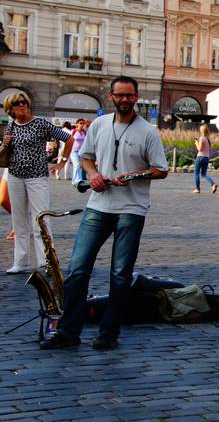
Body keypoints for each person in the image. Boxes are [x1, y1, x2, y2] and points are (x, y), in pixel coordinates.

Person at [40, 76, 169, 349]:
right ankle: (68, 332)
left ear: (136, 97)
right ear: (111, 97)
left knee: (120, 275)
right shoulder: (99, 125)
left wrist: (136, 174)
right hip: (98, 206)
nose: (125, 100)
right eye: (120, 95)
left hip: (131, 209)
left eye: (130, 95)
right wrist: (94, 174)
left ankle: (109, 334)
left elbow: (161, 169)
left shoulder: (148, 131)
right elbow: (86, 157)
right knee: (77, 269)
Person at [2, 92, 73, 274]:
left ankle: (47, 262)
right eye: (17, 103)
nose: (22, 105)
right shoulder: (10, 125)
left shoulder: (40, 123)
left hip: (37, 176)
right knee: (18, 220)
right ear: (10, 108)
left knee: (41, 219)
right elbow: (6, 151)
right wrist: (5, 143)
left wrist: (63, 161)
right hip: (15, 175)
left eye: (24, 102)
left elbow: (68, 138)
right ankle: (20, 261)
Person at [192, 124, 218, 194]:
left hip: (200, 157)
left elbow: (199, 149)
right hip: (206, 158)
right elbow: (209, 150)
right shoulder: (207, 139)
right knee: (204, 174)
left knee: (196, 173)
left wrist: (196, 143)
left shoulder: (202, 138)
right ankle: (213, 184)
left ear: (201, 130)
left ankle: (197, 189)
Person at [70, 119, 88, 185]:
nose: (82, 124)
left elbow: (86, 142)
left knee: (80, 166)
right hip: (73, 151)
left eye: (83, 123)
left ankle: (77, 180)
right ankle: (76, 180)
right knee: (77, 165)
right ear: (77, 124)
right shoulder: (73, 131)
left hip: (81, 151)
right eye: (80, 123)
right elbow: (68, 141)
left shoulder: (84, 132)